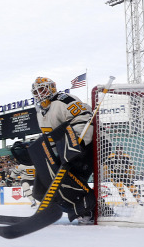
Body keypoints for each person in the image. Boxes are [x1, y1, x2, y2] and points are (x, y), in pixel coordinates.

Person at [13, 76, 95, 224]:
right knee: (41, 189)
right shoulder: (40, 111)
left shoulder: (64, 100)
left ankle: (87, 210)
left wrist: (75, 143)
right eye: (36, 91)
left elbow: (85, 118)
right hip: (66, 150)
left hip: (85, 146)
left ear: (52, 88)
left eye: (42, 89)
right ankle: (69, 210)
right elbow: (49, 137)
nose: (39, 94)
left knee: (70, 181)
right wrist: (34, 149)